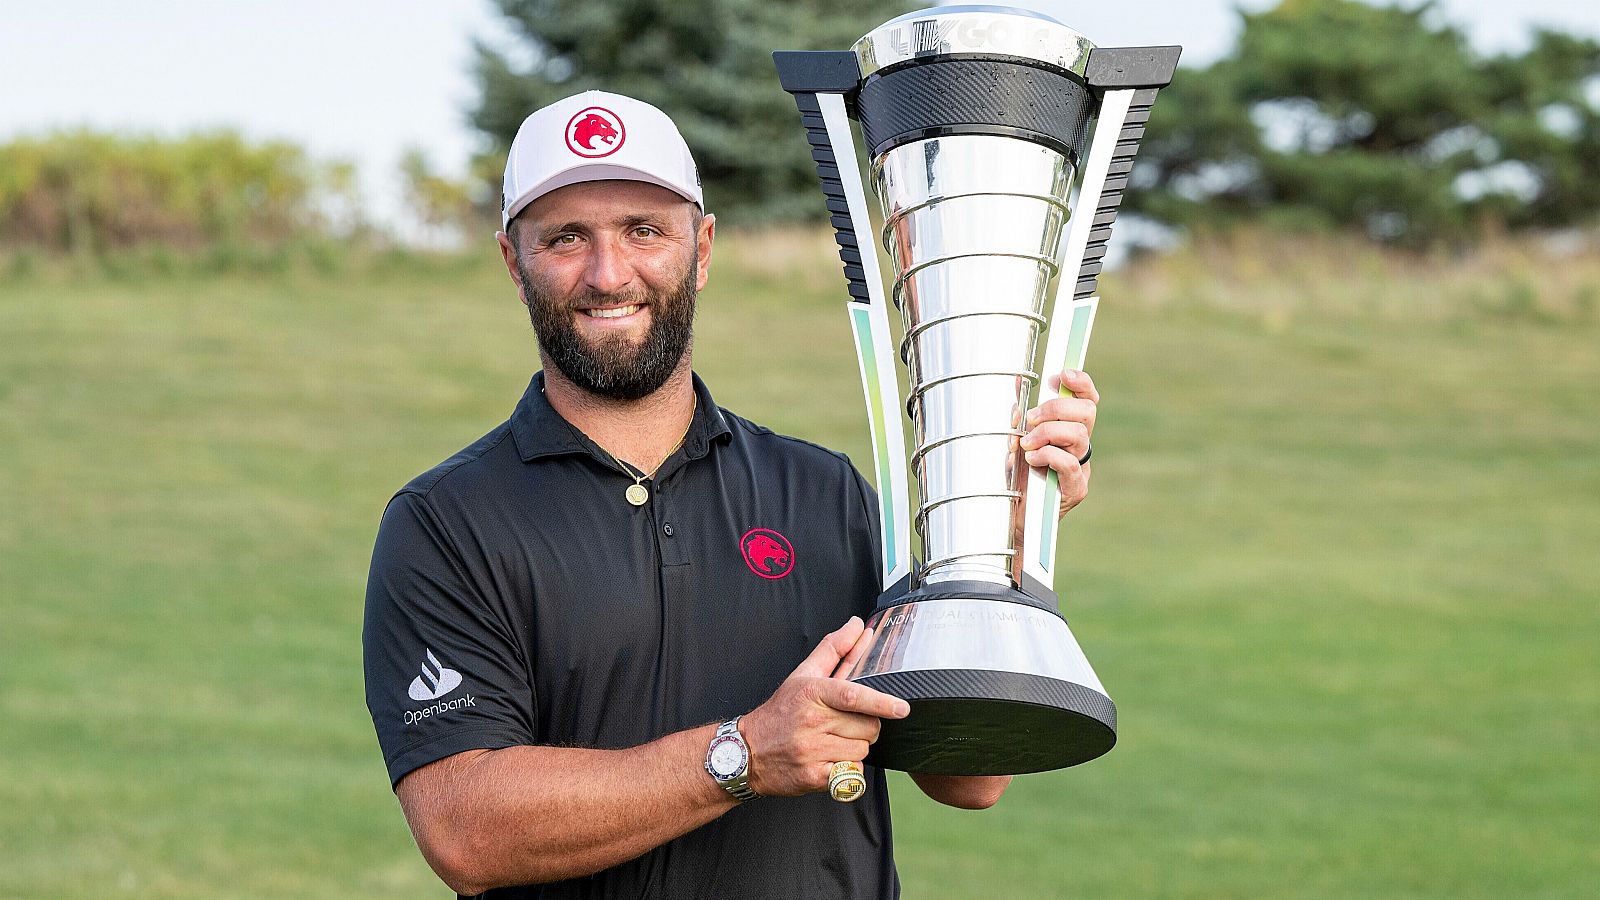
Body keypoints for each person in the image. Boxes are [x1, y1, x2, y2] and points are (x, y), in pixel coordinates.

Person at [363, 90, 1101, 899]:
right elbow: (465, 832)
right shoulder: (447, 524)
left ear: (702, 248)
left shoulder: (827, 496)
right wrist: (744, 754)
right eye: (567, 238)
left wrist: (1004, 546)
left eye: (645, 231)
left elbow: (970, 778)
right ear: (514, 262)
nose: (609, 274)